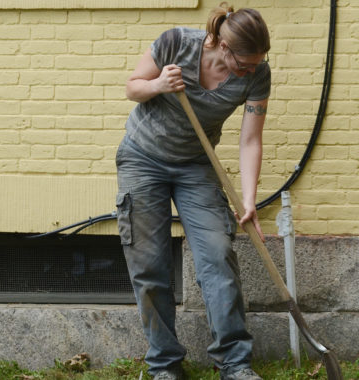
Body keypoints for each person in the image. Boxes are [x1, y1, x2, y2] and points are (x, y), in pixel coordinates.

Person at [116, 2, 270, 380]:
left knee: (218, 255)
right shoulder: (175, 44)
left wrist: (248, 200)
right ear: (220, 43)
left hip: (196, 166)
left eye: (257, 62)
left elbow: (250, 140)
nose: (251, 70)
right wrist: (158, 85)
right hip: (143, 160)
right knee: (150, 266)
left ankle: (234, 363)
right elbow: (132, 88)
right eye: (244, 63)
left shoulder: (257, 74)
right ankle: (164, 365)